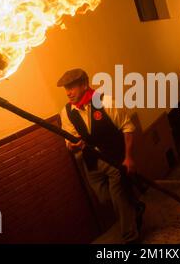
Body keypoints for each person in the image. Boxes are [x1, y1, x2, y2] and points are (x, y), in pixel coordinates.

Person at [57, 68, 144, 244]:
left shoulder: (106, 101)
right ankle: (136, 206)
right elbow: (70, 139)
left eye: (71, 87)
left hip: (114, 159)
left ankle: (131, 238)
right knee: (105, 199)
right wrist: (72, 145)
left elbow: (128, 128)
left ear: (84, 85)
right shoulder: (66, 112)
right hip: (91, 163)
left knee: (119, 198)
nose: (68, 93)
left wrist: (129, 157)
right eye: (66, 88)